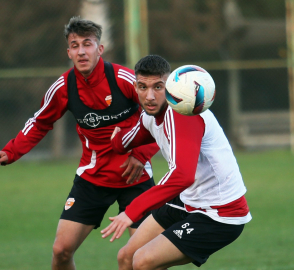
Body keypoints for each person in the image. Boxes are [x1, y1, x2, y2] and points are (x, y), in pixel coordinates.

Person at [0, 17, 159, 270]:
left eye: (87, 44)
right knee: (61, 251)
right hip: (93, 178)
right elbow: (39, 122)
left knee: (144, 258)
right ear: (68, 51)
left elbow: (160, 113)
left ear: (99, 49)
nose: (81, 51)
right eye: (75, 45)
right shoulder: (63, 87)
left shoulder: (125, 79)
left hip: (134, 177)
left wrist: (142, 154)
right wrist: (11, 150)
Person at [101, 55, 252, 270]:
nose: (150, 96)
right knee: (126, 256)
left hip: (220, 213)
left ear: (170, 85)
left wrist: (132, 211)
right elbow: (127, 140)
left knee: (142, 261)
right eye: (142, 87)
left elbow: (182, 175)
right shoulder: (149, 116)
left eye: (158, 87)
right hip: (187, 200)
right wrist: (116, 139)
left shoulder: (183, 114)